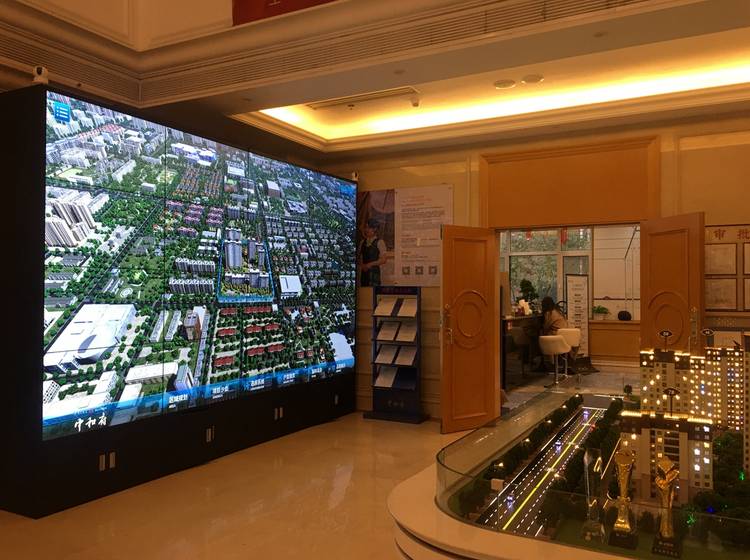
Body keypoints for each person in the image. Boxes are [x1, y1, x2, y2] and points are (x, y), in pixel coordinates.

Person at [359, 219, 387, 287]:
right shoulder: (362, 242)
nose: (366, 230)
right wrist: (362, 265)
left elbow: (383, 260)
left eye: (368, 227)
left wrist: (370, 264)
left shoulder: (380, 242)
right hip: (364, 273)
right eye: (366, 227)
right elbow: (360, 257)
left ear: (375, 229)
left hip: (374, 272)